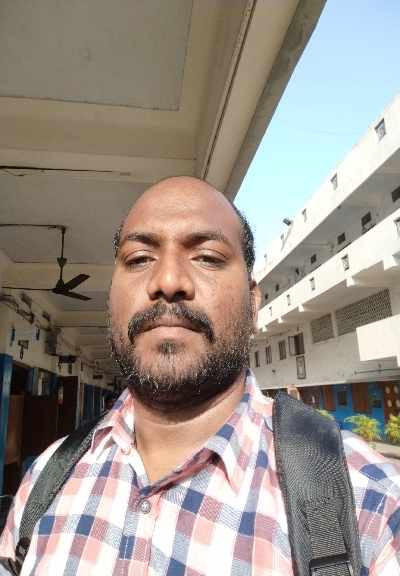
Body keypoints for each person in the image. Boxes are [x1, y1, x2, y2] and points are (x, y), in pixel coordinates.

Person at [0, 176, 399, 575]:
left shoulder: (369, 503)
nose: (168, 281)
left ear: (253, 303)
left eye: (207, 257)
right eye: (139, 259)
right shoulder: (45, 481)